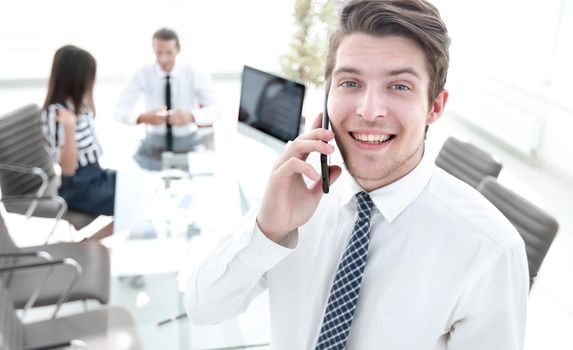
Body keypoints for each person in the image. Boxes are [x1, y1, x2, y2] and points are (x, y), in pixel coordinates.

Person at [185, 0, 529, 349]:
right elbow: (202, 307)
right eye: (350, 82)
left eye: (399, 86)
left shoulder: (489, 249)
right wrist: (267, 229)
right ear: (326, 97)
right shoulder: (297, 198)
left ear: (434, 107)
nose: (369, 110)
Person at [114, 27, 222, 170]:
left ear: (178, 49)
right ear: (153, 49)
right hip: (153, 142)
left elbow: (217, 110)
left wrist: (191, 116)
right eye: (159, 53)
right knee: (134, 176)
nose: (163, 59)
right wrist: (142, 118)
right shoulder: (141, 73)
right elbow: (118, 112)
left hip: (188, 141)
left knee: (202, 175)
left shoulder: (194, 72)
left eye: (169, 53)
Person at [42, 45, 114, 240]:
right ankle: (90, 242)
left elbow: (93, 115)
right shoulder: (56, 115)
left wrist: (86, 93)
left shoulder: (79, 104)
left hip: (97, 175)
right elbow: (68, 168)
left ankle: (88, 242)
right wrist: (69, 128)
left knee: (142, 187)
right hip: (79, 186)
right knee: (132, 200)